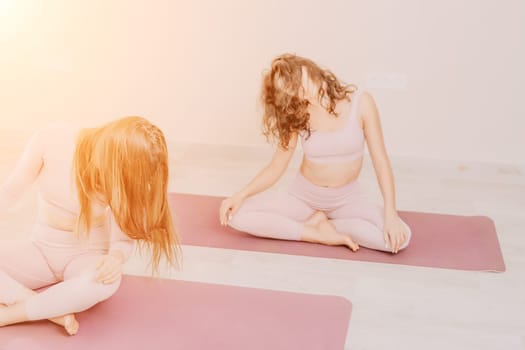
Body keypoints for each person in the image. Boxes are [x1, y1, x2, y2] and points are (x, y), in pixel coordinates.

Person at [0, 116, 180, 335]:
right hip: (39, 250)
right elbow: (9, 192)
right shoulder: (52, 139)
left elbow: (122, 239)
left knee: (105, 283)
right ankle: (51, 310)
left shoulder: (126, 175)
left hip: (86, 256)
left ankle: (10, 315)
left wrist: (115, 258)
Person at [220, 53, 411, 254]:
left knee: (400, 238)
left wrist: (390, 213)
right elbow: (277, 166)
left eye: (294, 77)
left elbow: (381, 162)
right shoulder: (298, 114)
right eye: (289, 88)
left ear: (307, 68)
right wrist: (239, 195)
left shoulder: (361, 103)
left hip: (348, 200)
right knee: (236, 215)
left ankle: (329, 225)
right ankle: (315, 233)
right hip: (304, 197)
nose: (297, 87)